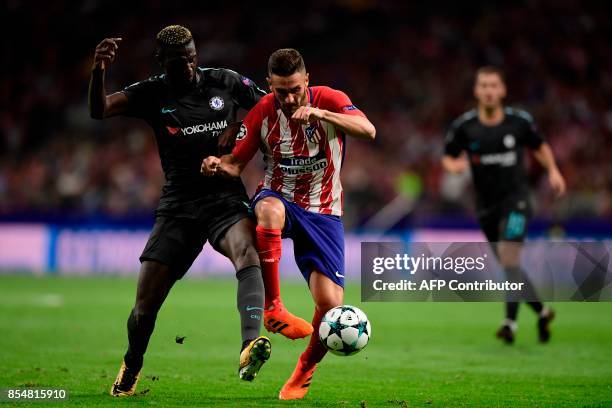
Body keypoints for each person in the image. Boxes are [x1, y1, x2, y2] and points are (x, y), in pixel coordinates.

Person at [88, 25, 271, 397]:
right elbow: (100, 109)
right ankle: (132, 365)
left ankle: (248, 345)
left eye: (190, 58)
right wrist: (99, 71)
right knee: (144, 309)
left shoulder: (226, 82)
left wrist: (240, 124)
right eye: (176, 62)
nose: (186, 66)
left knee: (247, 251)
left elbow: (270, 109)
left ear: (196, 54)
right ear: (161, 62)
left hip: (224, 199)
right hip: (178, 207)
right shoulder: (153, 92)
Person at [201, 48, 376, 400]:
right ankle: (273, 307)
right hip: (278, 196)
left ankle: (304, 371)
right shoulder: (263, 112)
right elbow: (236, 164)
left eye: (295, 89)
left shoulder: (329, 98)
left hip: (324, 211)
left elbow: (367, 130)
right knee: (268, 211)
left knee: (330, 307)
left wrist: (321, 112)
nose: (289, 97)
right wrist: (216, 165)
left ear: (307, 80)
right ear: (270, 86)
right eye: (281, 91)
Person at [441, 66, 566, 344]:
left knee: (510, 259)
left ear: (502, 90)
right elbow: (448, 156)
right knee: (511, 268)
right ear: (476, 91)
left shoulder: (519, 122)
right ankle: (543, 312)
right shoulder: (465, 126)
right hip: (486, 207)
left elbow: (539, 146)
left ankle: (510, 323)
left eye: (493, 85)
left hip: (517, 201)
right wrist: (456, 165)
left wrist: (553, 170)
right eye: (483, 85)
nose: (488, 90)